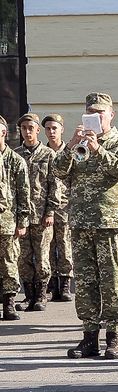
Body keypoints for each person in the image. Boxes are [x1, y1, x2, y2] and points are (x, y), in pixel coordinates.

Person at [53, 92, 118, 359]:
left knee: (110, 280)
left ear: (111, 115)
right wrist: (71, 145)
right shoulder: (79, 144)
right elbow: (58, 170)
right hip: (80, 222)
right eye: (91, 112)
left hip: (110, 222)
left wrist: (98, 149)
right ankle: (89, 337)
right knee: (86, 282)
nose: (96, 116)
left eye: (101, 112)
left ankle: (114, 337)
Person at [14, 113, 60, 312]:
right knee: (23, 258)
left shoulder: (48, 155)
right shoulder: (16, 155)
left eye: (30, 128)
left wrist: (50, 211)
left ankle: (41, 295)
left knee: (42, 258)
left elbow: (54, 185)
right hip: (22, 217)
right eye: (24, 128)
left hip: (42, 216)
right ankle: (29, 296)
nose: (27, 132)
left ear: (37, 130)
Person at [0, 114, 30, 321]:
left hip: (7, 222)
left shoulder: (15, 160)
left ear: (3, 133)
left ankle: (9, 305)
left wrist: (22, 222)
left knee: (9, 263)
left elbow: (23, 193)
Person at [42, 113, 74, 302]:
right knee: (47, 245)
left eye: (55, 128)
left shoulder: (70, 150)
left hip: (66, 205)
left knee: (64, 244)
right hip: (46, 206)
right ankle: (52, 282)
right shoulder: (43, 153)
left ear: (62, 129)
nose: (51, 132)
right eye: (48, 128)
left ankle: (65, 285)